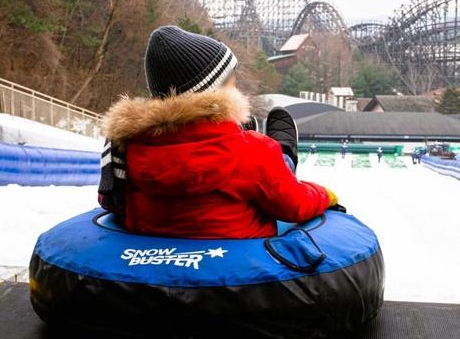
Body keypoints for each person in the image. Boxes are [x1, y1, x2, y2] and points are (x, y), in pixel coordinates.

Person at [97, 25, 337, 239]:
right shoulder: (252, 152)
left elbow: (111, 201)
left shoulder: (126, 149)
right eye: (232, 81)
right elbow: (295, 205)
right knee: (274, 163)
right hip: (242, 273)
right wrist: (325, 194)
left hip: (153, 272)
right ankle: (285, 155)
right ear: (216, 91)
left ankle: (279, 155)